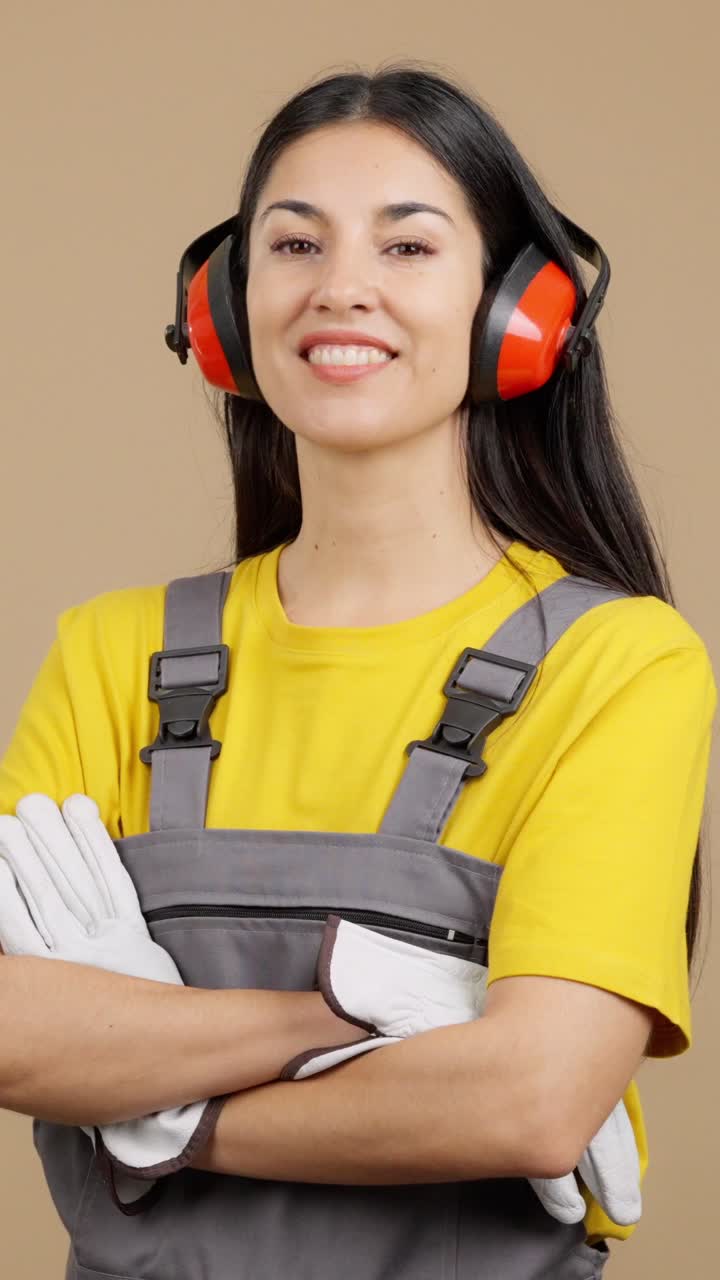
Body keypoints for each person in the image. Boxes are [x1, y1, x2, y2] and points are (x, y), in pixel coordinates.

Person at [0, 62, 715, 1280]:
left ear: (517, 313)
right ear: (225, 309)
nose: (341, 289)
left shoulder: (616, 662)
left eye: (408, 248)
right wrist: (352, 1017)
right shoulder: (112, 649)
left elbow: (531, 1100)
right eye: (293, 243)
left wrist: (160, 1104)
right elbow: (15, 1037)